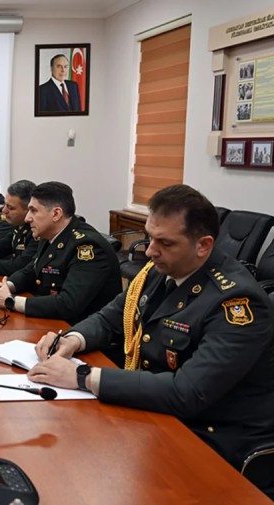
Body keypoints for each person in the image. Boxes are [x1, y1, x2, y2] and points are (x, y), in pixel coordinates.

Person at [28, 185, 274, 492]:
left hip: (214, 439)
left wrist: (82, 376)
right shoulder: (162, 269)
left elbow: (187, 392)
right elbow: (111, 316)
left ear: (203, 245)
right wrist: (73, 340)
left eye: (165, 242)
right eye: (150, 237)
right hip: (160, 413)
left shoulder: (236, 302)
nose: (149, 250)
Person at [0, 181, 121, 324]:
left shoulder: (87, 246)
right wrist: (7, 287)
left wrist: (10, 301)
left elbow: (68, 304)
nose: (27, 218)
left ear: (56, 214)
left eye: (33, 210)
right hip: (50, 321)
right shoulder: (49, 234)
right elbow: (31, 270)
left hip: (75, 329)